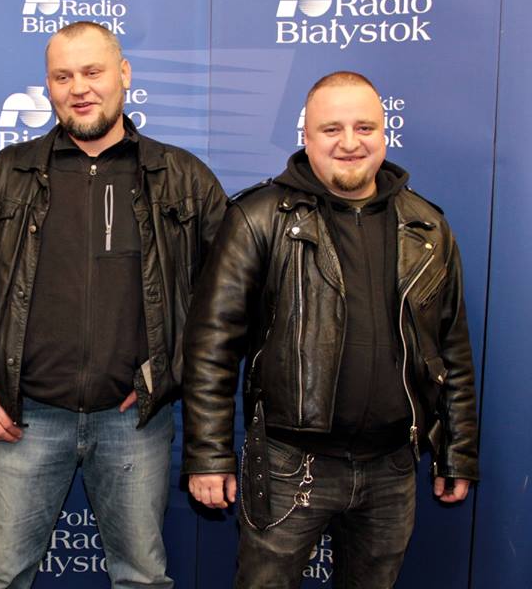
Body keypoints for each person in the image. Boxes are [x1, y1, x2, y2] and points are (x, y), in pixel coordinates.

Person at [0, 21, 226, 588]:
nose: (79, 88)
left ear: (123, 74)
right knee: (0, 576)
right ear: (48, 86)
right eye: (62, 76)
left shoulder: (183, 178)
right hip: (27, 418)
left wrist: (166, 375)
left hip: (134, 421)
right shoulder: (7, 173)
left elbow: (224, 303)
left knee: (142, 578)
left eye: (92, 72)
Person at [182, 71, 479, 587]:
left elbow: (451, 349)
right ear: (306, 136)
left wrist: (457, 451)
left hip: (393, 468)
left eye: (364, 127)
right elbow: (212, 346)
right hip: (289, 465)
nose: (349, 143)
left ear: (384, 132)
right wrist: (209, 455)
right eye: (331, 129)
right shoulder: (258, 217)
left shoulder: (427, 226)